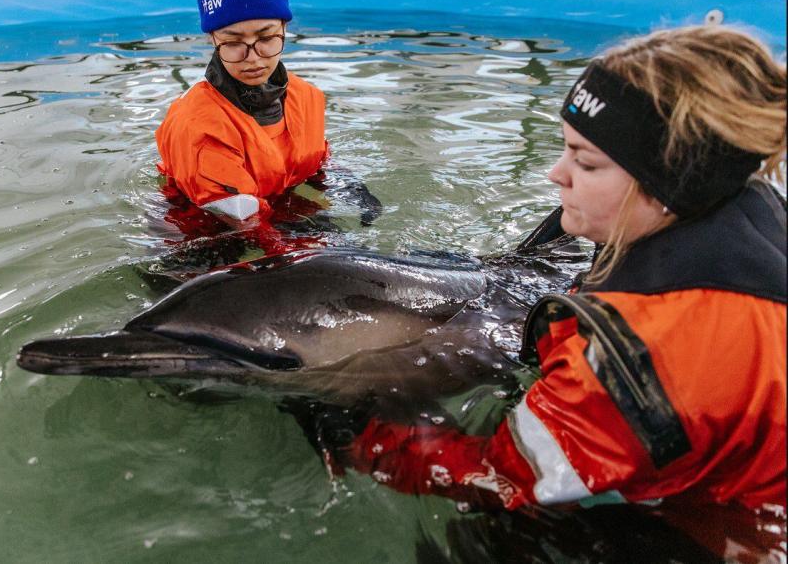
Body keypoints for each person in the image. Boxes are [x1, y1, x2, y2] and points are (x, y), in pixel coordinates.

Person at [325, 26, 786, 520]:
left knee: (484, 536)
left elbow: (500, 477)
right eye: (566, 148)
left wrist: (357, 433)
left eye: (585, 163)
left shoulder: (632, 358)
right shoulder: (749, 208)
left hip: (732, 526)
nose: (555, 173)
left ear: (667, 183)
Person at [156, 0, 328, 224]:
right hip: (207, 233)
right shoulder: (197, 127)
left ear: (284, 27)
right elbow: (245, 226)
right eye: (234, 42)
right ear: (212, 37)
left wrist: (350, 187)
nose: (254, 59)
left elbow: (320, 164)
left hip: (283, 211)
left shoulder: (306, 97)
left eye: (266, 37)